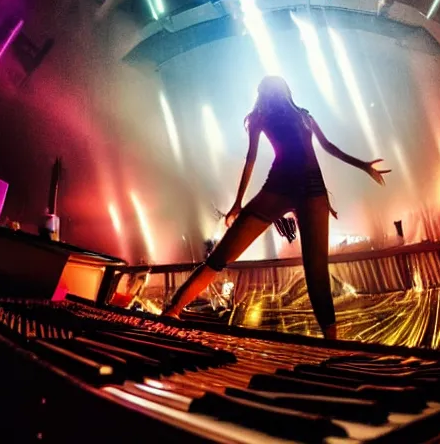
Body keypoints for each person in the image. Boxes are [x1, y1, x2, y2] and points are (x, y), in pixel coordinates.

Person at [163, 76, 390, 338]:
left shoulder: (304, 115)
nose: (274, 91)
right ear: (264, 93)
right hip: (278, 188)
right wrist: (238, 202)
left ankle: (332, 342)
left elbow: (327, 147)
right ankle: (172, 311)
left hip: (311, 190)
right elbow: (251, 158)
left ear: (285, 90)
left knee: (316, 269)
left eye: (277, 86)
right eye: (268, 88)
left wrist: (363, 165)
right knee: (220, 255)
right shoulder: (258, 117)